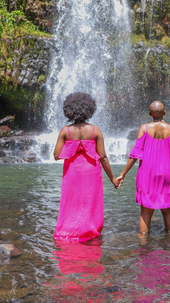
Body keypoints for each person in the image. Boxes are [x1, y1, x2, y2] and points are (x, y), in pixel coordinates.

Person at [53, 92, 119, 241]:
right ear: (89, 109)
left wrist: (73, 147)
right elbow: (103, 158)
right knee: (90, 201)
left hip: (72, 172)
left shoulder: (66, 131)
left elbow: (56, 155)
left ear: (68, 110)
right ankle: (89, 231)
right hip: (91, 171)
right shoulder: (95, 131)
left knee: (72, 200)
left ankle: (69, 230)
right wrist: (112, 179)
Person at [117, 101, 170, 236]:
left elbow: (135, 154)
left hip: (148, 173)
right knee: (168, 211)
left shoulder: (144, 128)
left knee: (146, 212)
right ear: (164, 112)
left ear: (150, 113)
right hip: (167, 174)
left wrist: (123, 174)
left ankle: (143, 243)